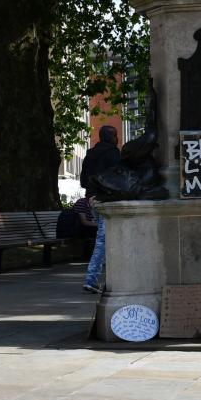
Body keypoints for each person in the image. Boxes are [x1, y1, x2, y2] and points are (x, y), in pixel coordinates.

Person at [81, 125, 121, 293]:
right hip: (106, 200)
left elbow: (83, 181)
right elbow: (118, 178)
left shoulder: (90, 155)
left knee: (104, 239)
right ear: (112, 137)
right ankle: (91, 279)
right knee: (103, 241)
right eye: (116, 135)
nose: (117, 139)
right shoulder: (113, 154)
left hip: (92, 200)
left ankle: (103, 277)